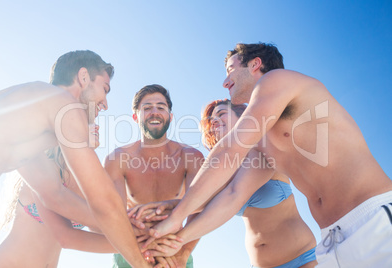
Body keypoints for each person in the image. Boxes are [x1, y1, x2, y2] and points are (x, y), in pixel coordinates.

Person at [150, 43, 392, 267]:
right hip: (331, 239)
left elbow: (229, 149)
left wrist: (176, 217)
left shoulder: (276, 80)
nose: (225, 81)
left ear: (255, 64)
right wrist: (177, 238)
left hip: (373, 220)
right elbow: (233, 195)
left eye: (230, 70)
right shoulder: (264, 144)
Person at [0, 50, 151, 267]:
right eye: (104, 89)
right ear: (83, 77)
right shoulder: (64, 104)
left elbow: (54, 194)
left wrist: (134, 233)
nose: (105, 104)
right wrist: (140, 259)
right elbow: (102, 203)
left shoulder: (34, 117)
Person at [143, 99, 317, 268]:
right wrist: (159, 209)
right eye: (211, 121)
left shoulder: (263, 145)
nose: (214, 122)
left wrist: (177, 240)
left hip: (301, 258)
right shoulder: (223, 168)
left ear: (242, 117)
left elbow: (234, 194)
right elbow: (201, 203)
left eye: (221, 114)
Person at [0, 124, 119, 267]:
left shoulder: (89, 183)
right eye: (85, 121)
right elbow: (67, 237)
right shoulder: (44, 168)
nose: (96, 126)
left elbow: (107, 231)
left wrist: (140, 237)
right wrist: (136, 244)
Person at [104, 84, 204, 268]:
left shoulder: (190, 156)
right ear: (136, 117)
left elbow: (200, 208)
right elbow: (114, 213)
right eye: (147, 108)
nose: (154, 112)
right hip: (129, 250)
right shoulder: (118, 158)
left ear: (170, 116)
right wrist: (138, 253)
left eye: (161, 107)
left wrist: (183, 254)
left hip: (175, 251)